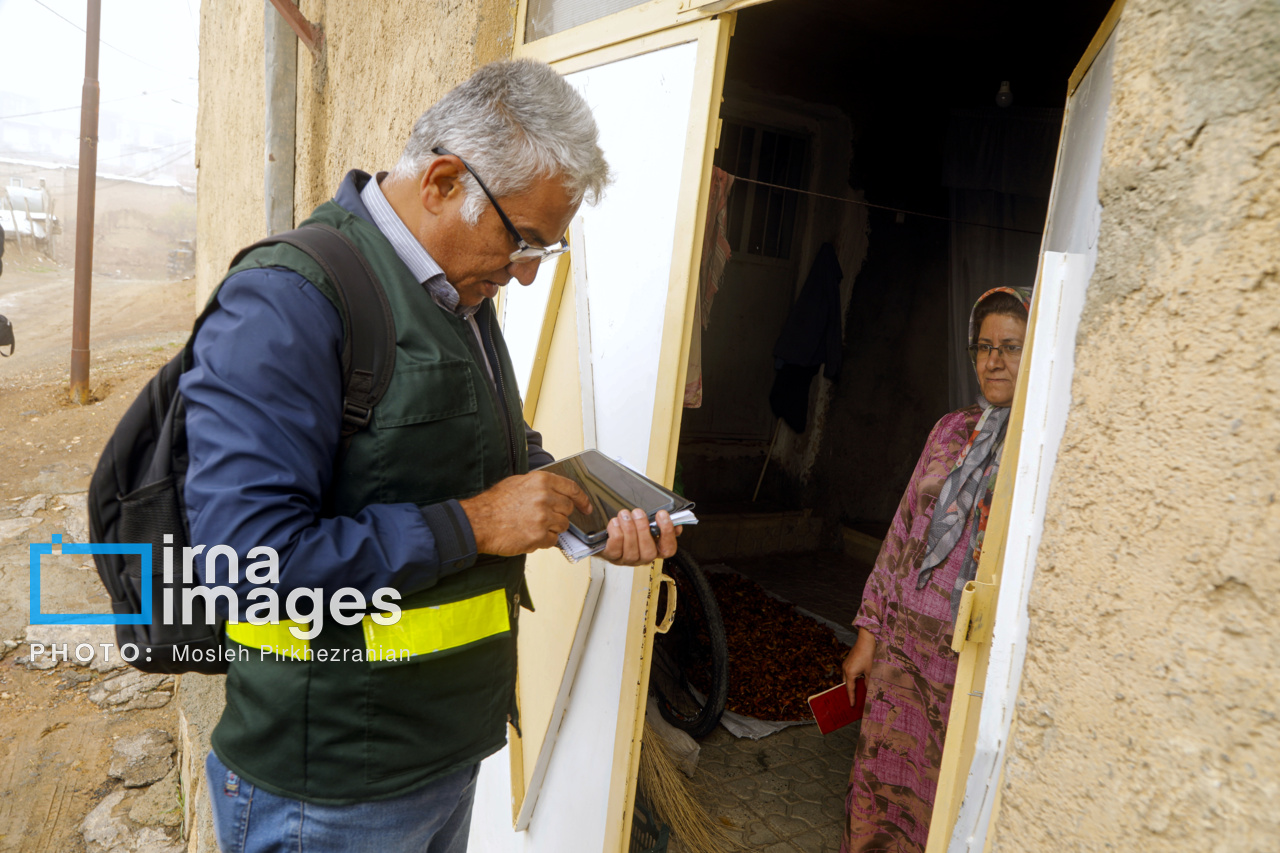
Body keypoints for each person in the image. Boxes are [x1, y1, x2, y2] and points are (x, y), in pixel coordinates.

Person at [182, 59, 680, 853]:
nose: (523, 273)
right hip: (333, 790)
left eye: (544, 253)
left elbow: (491, 458)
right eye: (522, 240)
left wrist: (583, 514)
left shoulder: (457, 295)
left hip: (444, 756)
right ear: (444, 181)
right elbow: (243, 561)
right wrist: (476, 524)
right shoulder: (289, 300)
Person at [839, 286, 1032, 853]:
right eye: (984, 346)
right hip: (902, 650)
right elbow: (902, 533)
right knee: (879, 789)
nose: (994, 359)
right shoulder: (949, 430)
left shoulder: (1037, 448)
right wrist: (868, 636)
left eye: (1012, 347)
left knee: (943, 799)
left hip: (965, 664)